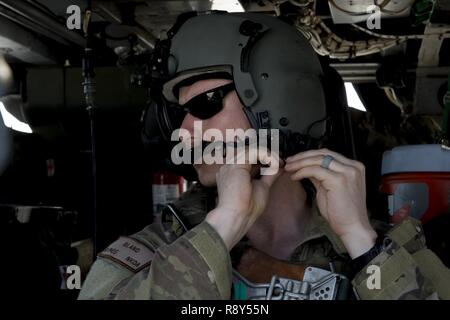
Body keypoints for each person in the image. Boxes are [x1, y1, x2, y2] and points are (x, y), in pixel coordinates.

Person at [78, 11, 450, 300]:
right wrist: (223, 226)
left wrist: (361, 244)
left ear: (284, 99)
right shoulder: (153, 250)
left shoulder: (388, 249)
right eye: (177, 114)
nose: (184, 132)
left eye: (206, 104)